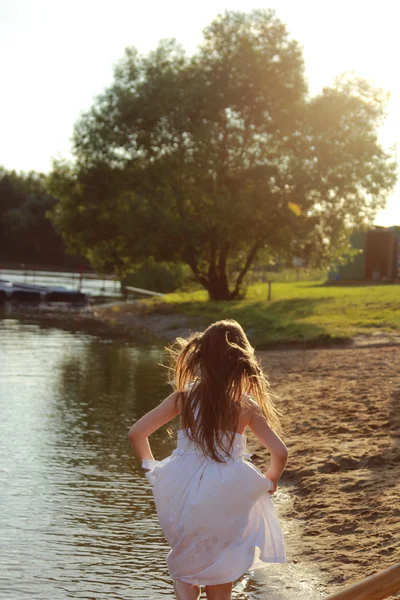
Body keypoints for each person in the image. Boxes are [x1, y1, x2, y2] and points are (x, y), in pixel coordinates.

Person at [128, 319, 288, 600]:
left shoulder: (185, 398)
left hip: (181, 487)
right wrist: (271, 479)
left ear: (203, 356)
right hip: (226, 490)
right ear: (240, 359)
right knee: (220, 565)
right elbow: (280, 452)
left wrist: (152, 471)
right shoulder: (245, 405)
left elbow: (137, 433)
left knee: (186, 562)